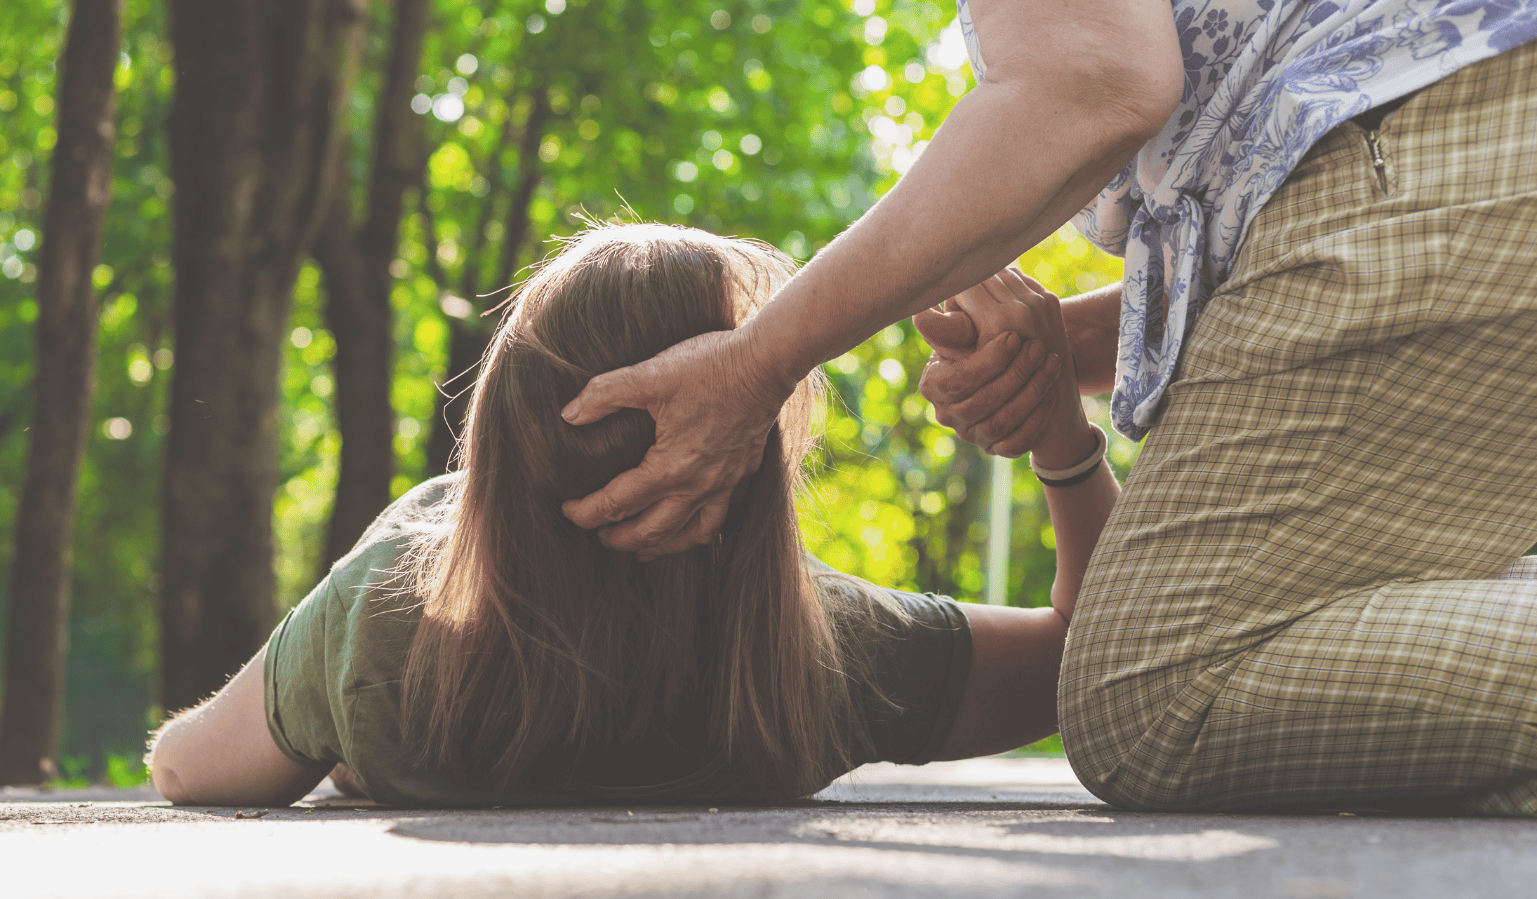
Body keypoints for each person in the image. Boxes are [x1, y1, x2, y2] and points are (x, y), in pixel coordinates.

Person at [557, 2, 1537, 814]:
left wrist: (763, 358)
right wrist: (1058, 360)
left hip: (1447, 135)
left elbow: (1093, 82)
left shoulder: (829, 654)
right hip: (1468, 133)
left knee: (1151, 695)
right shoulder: (833, 658)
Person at [146, 224, 1115, 807]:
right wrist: (1063, 443)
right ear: (745, 464)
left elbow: (186, 770)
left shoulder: (383, 628)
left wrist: (349, 710)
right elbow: (1092, 659)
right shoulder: (823, 657)